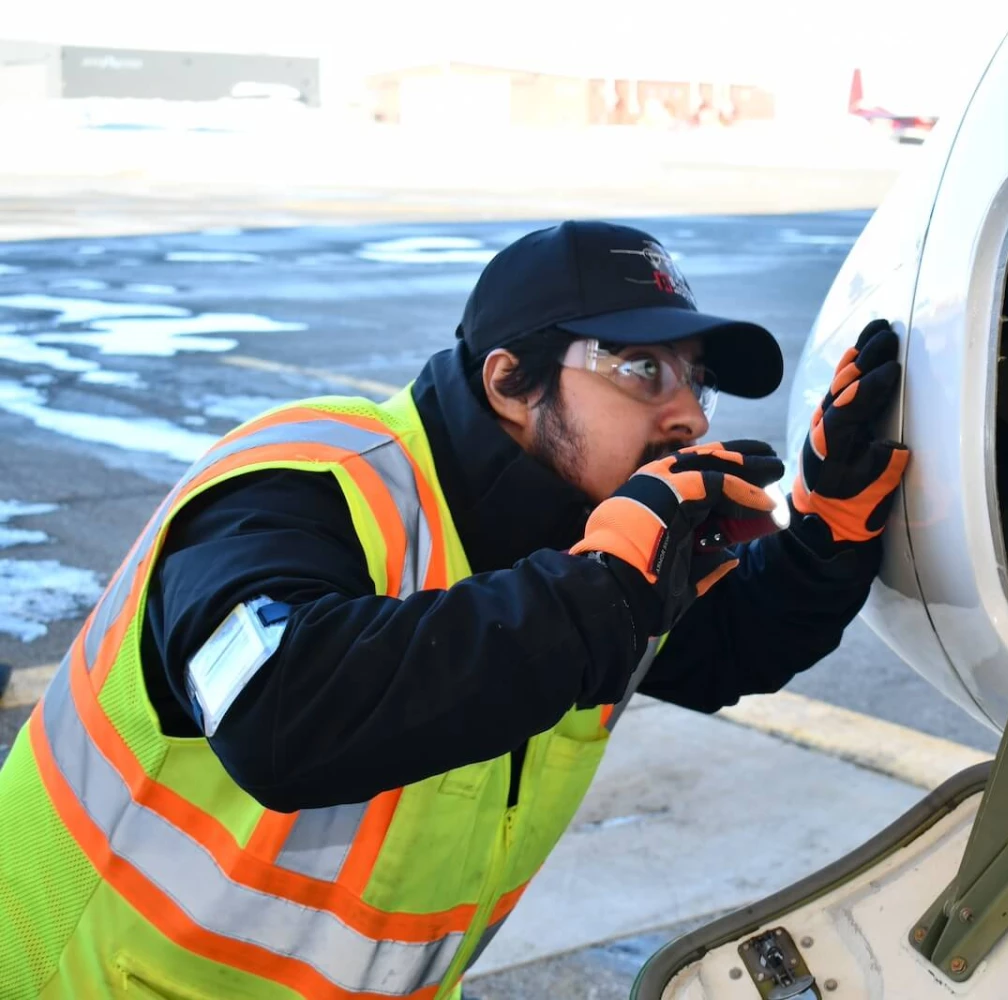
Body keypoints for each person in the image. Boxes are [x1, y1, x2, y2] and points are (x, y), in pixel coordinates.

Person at [0, 220, 911, 1000]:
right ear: (512, 382)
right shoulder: (312, 476)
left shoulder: (584, 537)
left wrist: (824, 539)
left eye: (694, 379)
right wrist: (601, 591)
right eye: (641, 369)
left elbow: (724, 650)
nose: (689, 420)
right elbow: (279, 708)